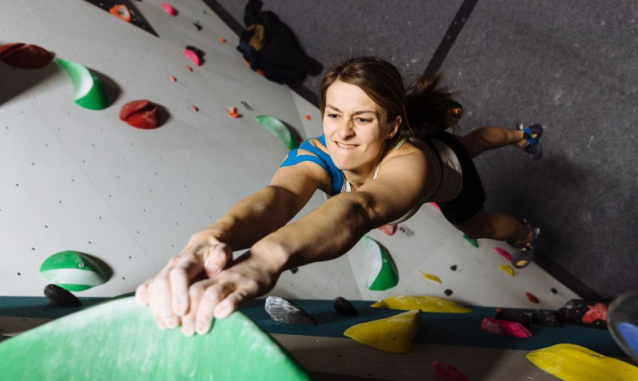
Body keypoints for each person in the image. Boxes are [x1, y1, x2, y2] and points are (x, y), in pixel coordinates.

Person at [136, 56, 544, 336]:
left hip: (450, 176)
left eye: (362, 119)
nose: (342, 133)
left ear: (390, 127)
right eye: (334, 114)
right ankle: (521, 136)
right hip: (422, 160)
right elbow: (277, 196)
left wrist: (266, 259)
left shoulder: (411, 163)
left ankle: (526, 226)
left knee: (476, 201)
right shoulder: (319, 153)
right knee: (466, 141)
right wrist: (210, 239)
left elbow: (359, 207)